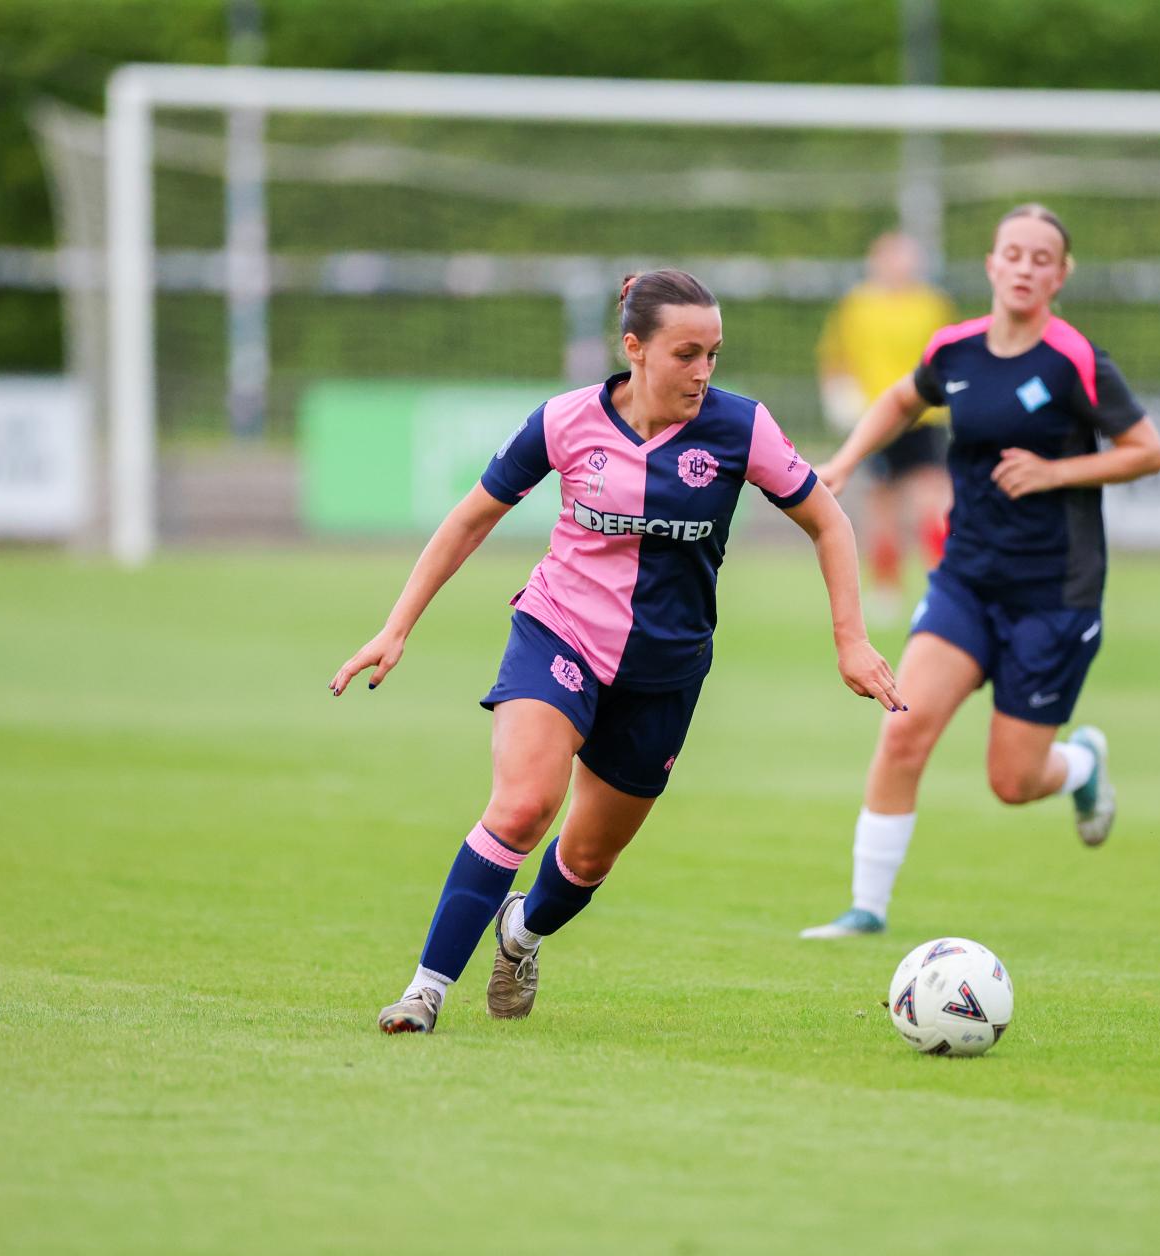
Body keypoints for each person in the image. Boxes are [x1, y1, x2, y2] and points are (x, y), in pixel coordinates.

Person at [332, 269, 902, 1032]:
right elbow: (471, 518)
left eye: (714, 354)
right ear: (635, 348)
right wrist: (397, 625)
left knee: (588, 860)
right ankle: (424, 992)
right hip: (558, 631)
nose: (703, 372)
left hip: (665, 671)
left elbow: (829, 522)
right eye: (686, 353)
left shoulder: (741, 428)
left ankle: (521, 933)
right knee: (524, 804)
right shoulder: (565, 421)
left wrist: (851, 642)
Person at [800, 204, 1160, 940]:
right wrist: (842, 461)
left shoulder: (1075, 360)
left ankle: (1080, 766)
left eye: (1042, 258)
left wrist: (1059, 470)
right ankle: (866, 907)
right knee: (903, 732)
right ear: (993, 265)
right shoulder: (955, 350)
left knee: (1012, 781)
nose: (1026, 267)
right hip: (965, 583)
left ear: (1060, 275)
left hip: (1053, 598)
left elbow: (1146, 450)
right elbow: (903, 399)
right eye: (1013, 254)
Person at [817, 230, 955, 618]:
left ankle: (944, 582)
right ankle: (886, 588)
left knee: (934, 497)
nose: (901, 266)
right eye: (893, 257)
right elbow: (836, 355)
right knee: (882, 503)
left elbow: (945, 356)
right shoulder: (857, 306)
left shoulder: (932, 304)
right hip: (875, 416)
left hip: (925, 414)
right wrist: (838, 393)